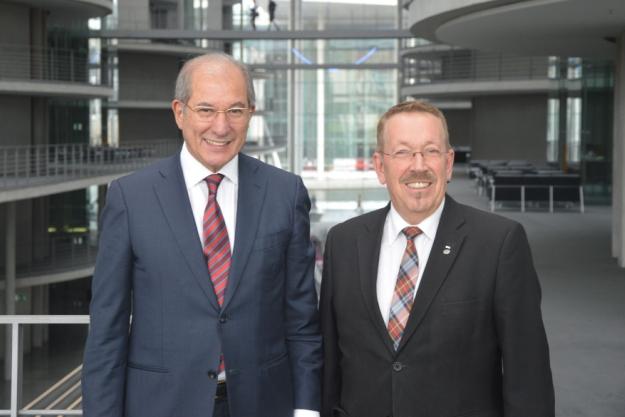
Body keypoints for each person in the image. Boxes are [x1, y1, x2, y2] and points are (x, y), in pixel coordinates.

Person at [82, 53, 322, 417]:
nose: (221, 127)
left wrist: (306, 409)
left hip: (263, 403)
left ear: (251, 113)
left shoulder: (286, 194)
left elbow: (301, 319)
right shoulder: (130, 198)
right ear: (180, 112)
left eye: (236, 111)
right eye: (206, 110)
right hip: (161, 405)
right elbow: (107, 329)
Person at [320, 101, 554, 417]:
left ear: (447, 163)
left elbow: (527, 374)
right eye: (402, 152)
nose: (418, 166)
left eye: (430, 151)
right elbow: (331, 360)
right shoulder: (343, 242)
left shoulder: (499, 243)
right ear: (379, 166)